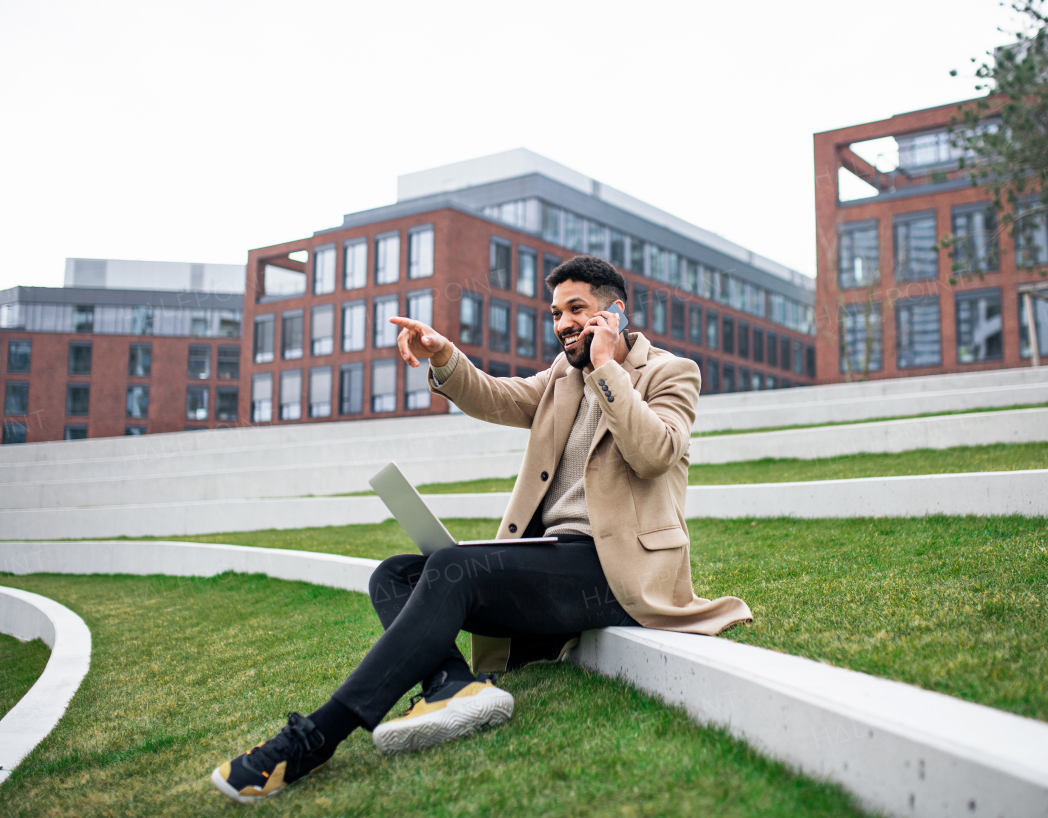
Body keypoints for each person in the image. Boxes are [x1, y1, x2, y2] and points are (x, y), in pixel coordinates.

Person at [211, 255, 751, 803]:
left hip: (615, 571)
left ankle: (312, 740)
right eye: (556, 312)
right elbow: (495, 396)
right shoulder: (562, 380)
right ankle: (452, 683)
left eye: (576, 309)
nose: (562, 322)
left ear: (613, 313)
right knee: (393, 575)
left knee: (454, 566)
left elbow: (655, 453)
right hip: (553, 561)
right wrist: (444, 354)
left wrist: (608, 367)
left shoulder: (670, 372)